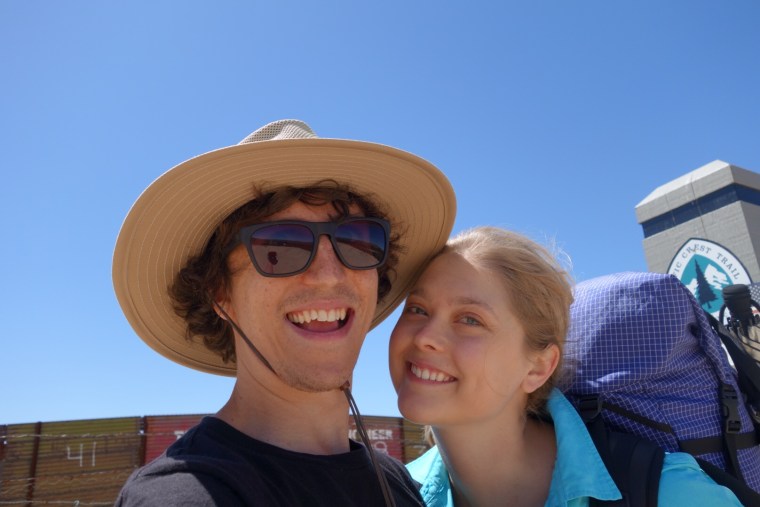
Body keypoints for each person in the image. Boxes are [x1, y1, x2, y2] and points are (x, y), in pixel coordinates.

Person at [112, 119, 456, 506]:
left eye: (356, 241)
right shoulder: (187, 494)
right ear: (219, 292)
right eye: (281, 246)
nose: (329, 275)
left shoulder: (395, 480)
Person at [388, 226, 742, 507]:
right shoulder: (386, 490)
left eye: (470, 319)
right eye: (418, 309)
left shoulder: (675, 494)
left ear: (538, 368)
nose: (425, 337)